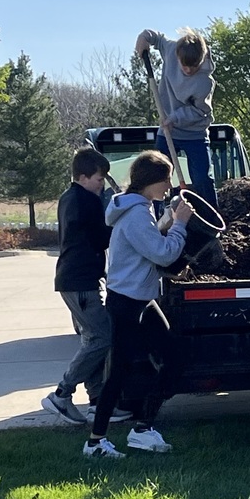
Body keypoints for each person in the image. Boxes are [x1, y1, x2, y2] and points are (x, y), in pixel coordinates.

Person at [83, 150, 194, 459]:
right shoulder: (134, 213)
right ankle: (95, 442)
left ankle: (143, 429)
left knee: (172, 358)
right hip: (128, 303)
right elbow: (162, 254)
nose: (169, 186)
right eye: (166, 179)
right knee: (118, 373)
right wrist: (180, 224)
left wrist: (169, 219)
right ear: (151, 181)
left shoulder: (138, 208)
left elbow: (148, 243)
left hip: (139, 299)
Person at [42, 147, 130, 426]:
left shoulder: (69, 197)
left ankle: (97, 402)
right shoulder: (86, 201)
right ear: (82, 177)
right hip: (79, 281)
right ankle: (61, 393)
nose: (101, 184)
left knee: (94, 339)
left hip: (75, 279)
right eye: (99, 178)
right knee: (102, 337)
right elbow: (101, 237)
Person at [134, 28, 218, 211]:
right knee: (154, 175)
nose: (188, 70)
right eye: (184, 65)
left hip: (194, 133)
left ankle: (210, 219)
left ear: (201, 60)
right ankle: (152, 216)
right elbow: (156, 37)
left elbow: (200, 112)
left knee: (202, 178)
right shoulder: (171, 49)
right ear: (178, 56)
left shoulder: (204, 82)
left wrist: (175, 118)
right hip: (167, 131)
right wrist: (144, 38)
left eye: (193, 66)